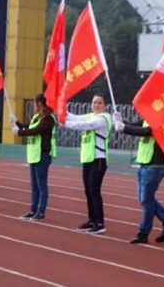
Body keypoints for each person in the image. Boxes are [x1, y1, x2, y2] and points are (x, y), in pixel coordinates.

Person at [112, 113, 164, 244]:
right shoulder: (149, 118)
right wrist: (121, 121)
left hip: (155, 164)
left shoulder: (162, 119)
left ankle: (144, 232)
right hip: (145, 163)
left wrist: (124, 128)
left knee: (146, 200)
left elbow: (148, 131)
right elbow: (136, 125)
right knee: (145, 199)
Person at [64, 93, 112, 235]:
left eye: (99, 103)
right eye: (94, 102)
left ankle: (99, 222)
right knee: (88, 190)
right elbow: (75, 118)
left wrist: (65, 123)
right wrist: (62, 110)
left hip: (99, 159)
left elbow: (85, 125)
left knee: (94, 190)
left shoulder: (104, 118)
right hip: (88, 158)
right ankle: (91, 220)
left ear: (105, 105)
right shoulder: (91, 115)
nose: (96, 105)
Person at [13, 94, 57, 221]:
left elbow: (36, 130)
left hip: (43, 154)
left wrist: (19, 132)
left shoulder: (48, 119)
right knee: (34, 184)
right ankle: (33, 210)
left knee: (41, 184)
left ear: (40, 104)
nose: (34, 106)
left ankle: (41, 211)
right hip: (34, 154)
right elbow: (28, 126)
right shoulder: (37, 117)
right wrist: (16, 122)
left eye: (35, 103)